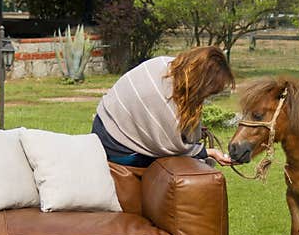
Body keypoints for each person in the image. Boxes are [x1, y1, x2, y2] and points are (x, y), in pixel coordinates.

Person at [92, 46, 236, 168]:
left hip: (103, 123)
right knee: (180, 163)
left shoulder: (163, 63)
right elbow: (173, 146)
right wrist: (206, 152)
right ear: (201, 83)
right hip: (117, 146)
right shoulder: (165, 98)